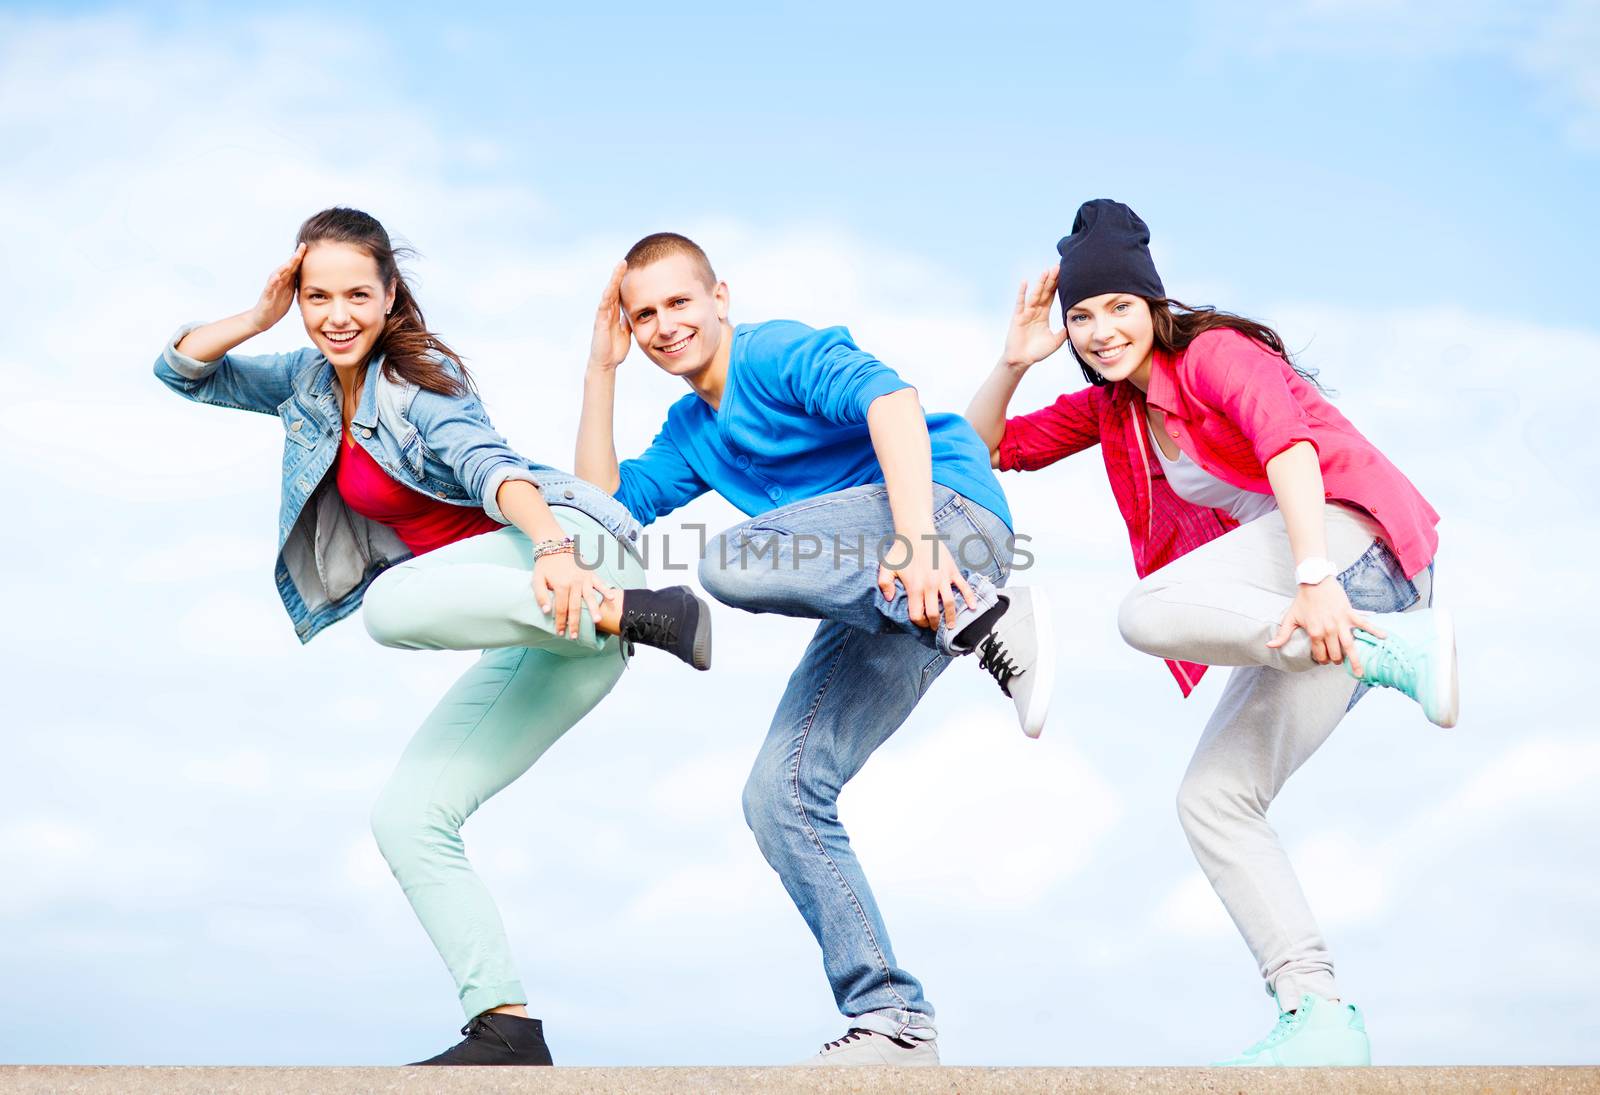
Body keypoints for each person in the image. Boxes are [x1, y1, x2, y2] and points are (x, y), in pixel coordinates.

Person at [154, 207, 712, 1066]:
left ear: (388, 298)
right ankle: (506, 1026)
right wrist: (258, 317)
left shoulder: (419, 381)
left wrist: (562, 558)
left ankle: (638, 609)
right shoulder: (307, 382)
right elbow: (184, 372)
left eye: (356, 295)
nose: (337, 314)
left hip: (569, 560)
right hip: (554, 620)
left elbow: (496, 469)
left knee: (387, 607)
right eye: (316, 296)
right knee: (408, 815)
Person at [965, 199, 1458, 1067]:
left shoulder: (1215, 356)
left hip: (1354, 553)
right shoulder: (1114, 411)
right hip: (1317, 610)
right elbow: (981, 450)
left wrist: (1314, 580)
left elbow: (1290, 449)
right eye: (1081, 315)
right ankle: (1321, 1016)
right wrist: (1013, 360)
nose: (1100, 330)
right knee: (1212, 799)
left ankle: (1383, 649)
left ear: (1153, 304)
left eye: (1117, 306)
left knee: (1145, 611)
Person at [576, 233, 1054, 1065]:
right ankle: (894, 1018)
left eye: (678, 303)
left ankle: (977, 609)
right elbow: (601, 512)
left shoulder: (772, 352)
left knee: (731, 559)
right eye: (642, 315)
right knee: (780, 792)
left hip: (940, 527)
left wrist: (916, 544)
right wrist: (600, 370)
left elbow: (894, 402)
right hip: (907, 595)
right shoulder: (692, 430)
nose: (662, 326)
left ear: (720, 298)